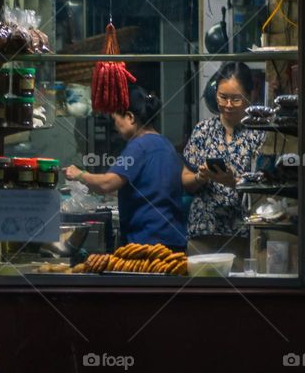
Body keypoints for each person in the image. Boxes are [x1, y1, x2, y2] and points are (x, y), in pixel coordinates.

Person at [64, 87, 187, 251]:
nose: (115, 126)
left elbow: (107, 183)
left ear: (130, 117)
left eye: (116, 119)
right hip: (174, 240)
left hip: (148, 243)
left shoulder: (138, 145)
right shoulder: (166, 145)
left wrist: (78, 174)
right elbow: (149, 187)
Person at [181, 62, 264, 271]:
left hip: (241, 233)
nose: (227, 104)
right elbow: (185, 181)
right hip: (202, 231)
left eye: (236, 99)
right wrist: (201, 177)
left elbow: (266, 191)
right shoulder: (203, 130)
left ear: (250, 96)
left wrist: (234, 182)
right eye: (222, 97)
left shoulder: (260, 134)